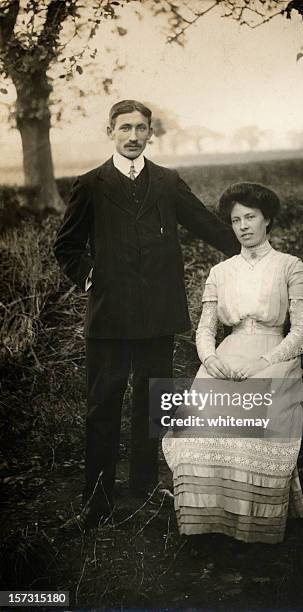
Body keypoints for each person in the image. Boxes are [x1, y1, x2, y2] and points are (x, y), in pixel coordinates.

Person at [53, 99, 238, 528]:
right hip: (110, 317)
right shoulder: (91, 184)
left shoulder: (169, 183)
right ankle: (97, 501)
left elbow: (207, 226)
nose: (134, 136)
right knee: (103, 405)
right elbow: (66, 246)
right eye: (125, 128)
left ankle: (144, 487)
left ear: (150, 133)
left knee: (154, 403)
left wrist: (254, 249)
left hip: (158, 313)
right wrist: (91, 278)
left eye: (141, 128)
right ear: (111, 131)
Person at [162, 182, 303, 544]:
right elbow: (205, 328)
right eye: (235, 220)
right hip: (229, 354)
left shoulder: (290, 266)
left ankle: (252, 526)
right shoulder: (221, 272)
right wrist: (211, 358)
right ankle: (208, 524)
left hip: (275, 355)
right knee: (197, 422)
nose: (243, 226)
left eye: (251, 217)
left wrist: (265, 361)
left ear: (268, 221)